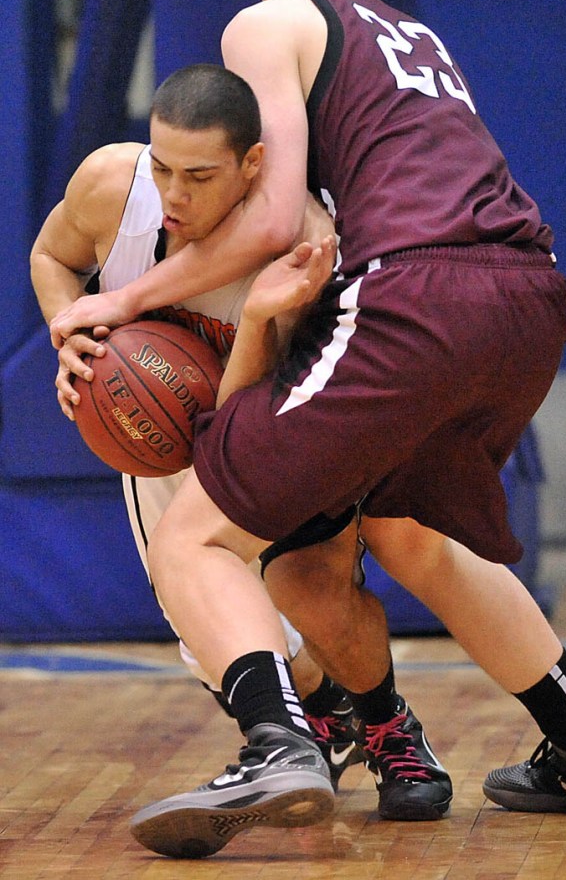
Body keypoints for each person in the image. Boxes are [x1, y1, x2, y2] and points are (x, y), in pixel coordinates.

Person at [49, 0, 566, 861]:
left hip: (415, 294)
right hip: (526, 293)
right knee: (414, 536)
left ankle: (280, 741)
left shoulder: (268, 23)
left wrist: (119, 299)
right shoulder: (411, 32)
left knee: (194, 539)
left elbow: (266, 218)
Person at [30, 62, 364, 790]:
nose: (174, 195)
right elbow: (51, 255)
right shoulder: (111, 186)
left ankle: (373, 720)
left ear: (252, 166)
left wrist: (251, 320)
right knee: (202, 633)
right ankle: (328, 718)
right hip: (162, 441)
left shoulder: (297, 242)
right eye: (163, 167)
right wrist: (71, 331)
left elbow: (248, 404)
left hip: (265, 427)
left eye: (200, 176)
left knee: (313, 596)